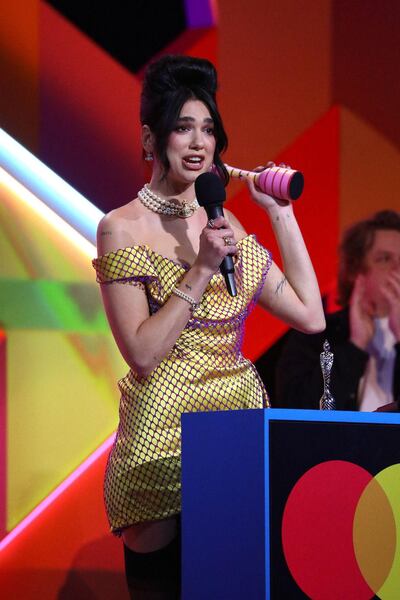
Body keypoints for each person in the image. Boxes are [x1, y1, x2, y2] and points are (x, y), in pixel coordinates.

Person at [92, 54, 325, 598]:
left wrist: (279, 213)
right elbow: (142, 354)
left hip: (235, 430)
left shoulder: (225, 221)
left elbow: (309, 314)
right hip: (161, 438)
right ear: (150, 139)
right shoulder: (120, 227)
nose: (199, 143)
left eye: (208, 129)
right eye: (182, 128)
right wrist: (199, 270)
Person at [275, 210, 400, 412]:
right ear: (355, 271)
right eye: (385, 259)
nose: (397, 269)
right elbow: (298, 409)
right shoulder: (315, 334)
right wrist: (355, 347)